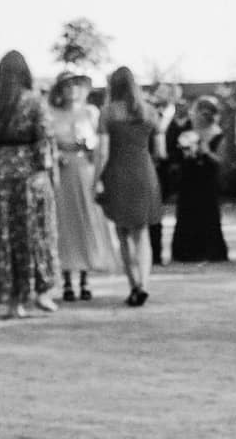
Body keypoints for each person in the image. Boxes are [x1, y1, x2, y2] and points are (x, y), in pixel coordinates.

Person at [0, 50, 57, 319]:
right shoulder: (34, 102)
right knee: (33, 233)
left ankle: (12, 300)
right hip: (30, 175)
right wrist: (45, 169)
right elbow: (44, 139)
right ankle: (36, 291)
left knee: (5, 234)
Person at [47, 72, 120, 302]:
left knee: (85, 220)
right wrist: (57, 154)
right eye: (67, 86)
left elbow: (100, 145)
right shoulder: (51, 114)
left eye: (76, 86)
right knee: (64, 222)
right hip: (62, 172)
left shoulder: (90, 113)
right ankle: (67, 279)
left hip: (84, 171)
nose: (72, 91)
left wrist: (90, 149)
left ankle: (85, 278)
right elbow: (47, 142)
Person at [94, 65, 163, 308]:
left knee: (123, 233)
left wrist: (96, 180)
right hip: (144, 172)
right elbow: (161, 151)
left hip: (117, 173)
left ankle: (133, 284)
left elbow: (102, 152)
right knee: (142, 233)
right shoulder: (150, 112)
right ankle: (144, 283)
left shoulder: (108, 113)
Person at [168, 96, 228, 263]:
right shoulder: (188, 130)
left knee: (207, 213)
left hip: (207, 179)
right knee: (186, 212)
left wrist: (207, 151)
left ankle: (210, 251)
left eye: (197, 113)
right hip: (189, 177)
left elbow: (221, 161)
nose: (193, 116)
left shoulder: (217, 134)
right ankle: (185, 252)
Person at [147, 81, 183, 268]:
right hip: (151, 168)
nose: (158, 96)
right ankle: (154, 254)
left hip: (172, 170)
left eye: (163, 93)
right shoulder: (148, 114)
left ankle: (174, 251)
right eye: (157, 92)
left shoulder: (180, 117)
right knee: (152, 212)